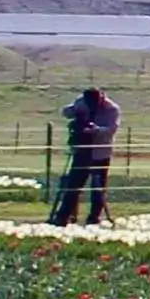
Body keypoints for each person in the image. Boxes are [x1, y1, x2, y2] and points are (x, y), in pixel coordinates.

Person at [55, 85, 118, 226]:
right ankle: (63, 216)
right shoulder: (82, 102)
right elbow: (67, 113)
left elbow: (111, 129)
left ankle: (93, 218)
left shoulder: (111, 109)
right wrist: (75, 112)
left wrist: (95, 130)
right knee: (73, 185)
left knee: (98, 188)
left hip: (100, 152)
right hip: (82, 151)